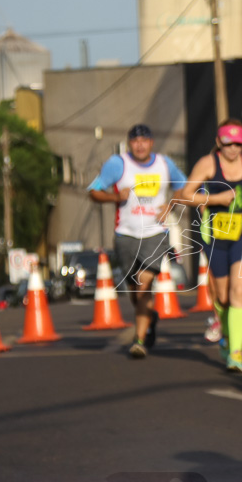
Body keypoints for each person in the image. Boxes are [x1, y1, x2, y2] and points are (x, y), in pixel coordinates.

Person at [180, 120, 242, 372]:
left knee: (239, 291)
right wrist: (215, 198)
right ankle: (226, 333)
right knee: (222, 296)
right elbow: (184, 194)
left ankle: (236, 352)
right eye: (228, 143)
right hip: (214, 234)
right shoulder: (208, 164)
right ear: (219, 142)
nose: (233, 148)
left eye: (238, 144)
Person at [88, 123, 186, 359]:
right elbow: (93, 191)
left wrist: (170, 205)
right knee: (134, 292)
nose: (140, 145)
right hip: (126, 235)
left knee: (144, 285)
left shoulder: (164, 164)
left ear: (152, 142)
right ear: (129, 143)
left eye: (144, 140)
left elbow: (184, 186)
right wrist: (114, 196)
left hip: (155, 233)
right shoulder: (117, 164)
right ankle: (150, 318)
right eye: (135, 140)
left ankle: (139, 340)